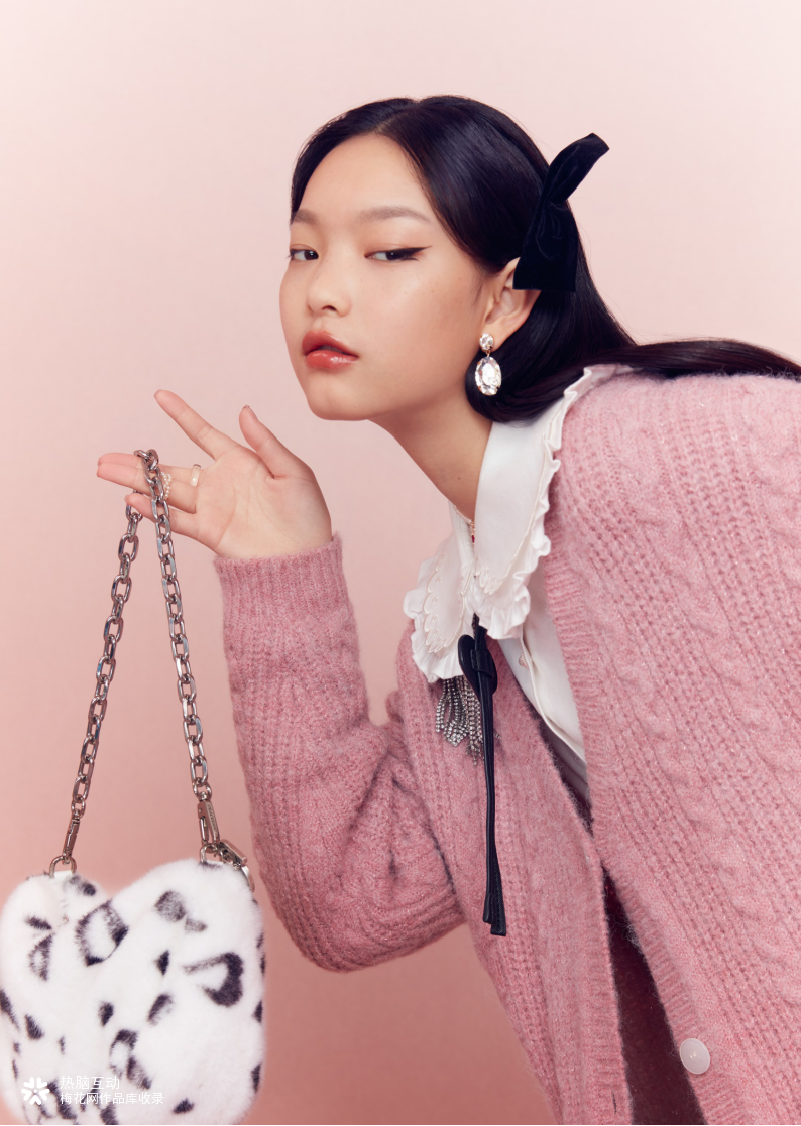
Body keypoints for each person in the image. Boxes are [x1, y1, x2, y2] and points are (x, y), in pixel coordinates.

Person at [98, 96, 801, 1126]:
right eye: (303, 252)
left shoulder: (687, 454)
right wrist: (282, 573)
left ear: (506, 299)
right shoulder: (457, 637)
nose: (324, 289)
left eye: (389, 252)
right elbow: (355, 900)